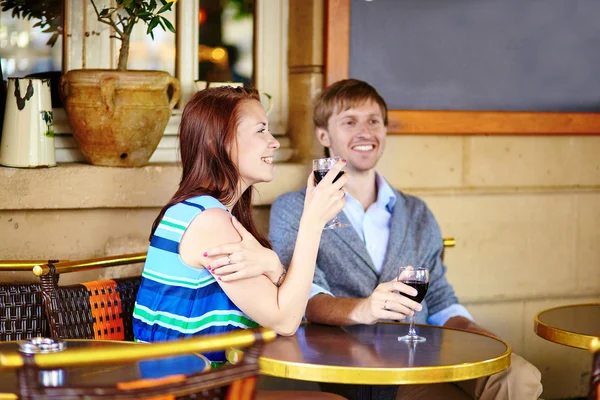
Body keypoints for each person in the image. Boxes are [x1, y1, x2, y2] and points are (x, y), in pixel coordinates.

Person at [268, 79, 543, 400]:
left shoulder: (416, 211)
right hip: (361, 366)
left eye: (373, 121)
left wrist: (477, 336)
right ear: (323, 135)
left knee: (519, 374)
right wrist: (365, 309)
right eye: (349, 121)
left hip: (432, 353)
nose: (365, 131)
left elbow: (438, 298)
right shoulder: (295, 209)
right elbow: (308, 301)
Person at [132, 86, 347, 363]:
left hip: (210, 383)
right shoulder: (209, 222)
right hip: (186, 388)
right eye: (261, 130)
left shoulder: (209, 213)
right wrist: (312, 223)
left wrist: (273, 265)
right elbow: (285, 321)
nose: (275, 142)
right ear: (217, 142)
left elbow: (282, 309)